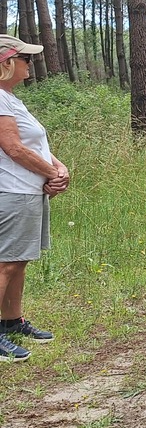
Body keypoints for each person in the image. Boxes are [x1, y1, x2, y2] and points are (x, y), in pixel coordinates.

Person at [0, 35, 67, 363]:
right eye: (24, 58)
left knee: (19, 260)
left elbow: (34, 144)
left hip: (26, 191)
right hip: (12, 191)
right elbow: (13, 148)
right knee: (5, 263)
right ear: (6, 63)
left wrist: (58, 167)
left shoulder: (10, 98)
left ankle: (12, 320)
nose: (30, 63)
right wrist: (51, 174)